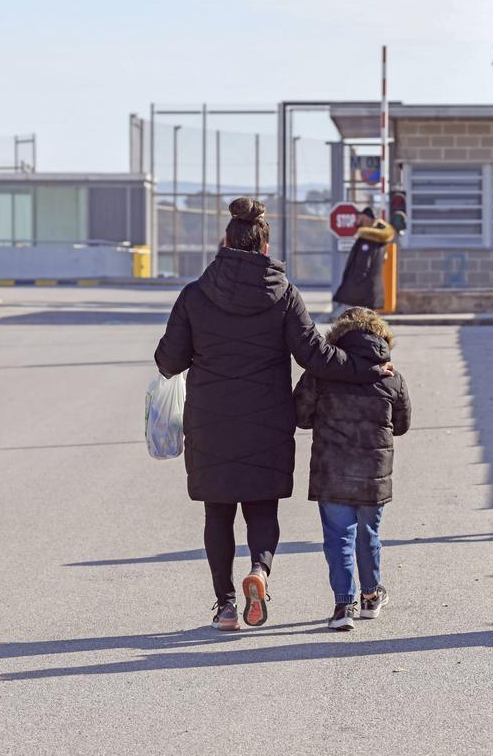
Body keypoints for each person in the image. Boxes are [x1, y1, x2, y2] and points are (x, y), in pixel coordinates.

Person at [155, 198, 391, 632]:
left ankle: (226, 606)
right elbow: (315, 357)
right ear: (265, 249)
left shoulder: (194, 294)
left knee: (217, 513)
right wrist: (367, 368)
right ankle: (259, 573)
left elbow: (168, 361)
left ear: (224, 243)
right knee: (262, 509)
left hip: (211, 420)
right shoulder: (283, 295)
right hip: (267, 419)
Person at [293, 307, 411, 631]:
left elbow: (300, 416)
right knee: (369, 534)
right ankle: (372, 595)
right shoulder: (392, 377)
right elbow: (401, 425)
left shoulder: (321, 373)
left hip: (332, 472)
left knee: (338, 537)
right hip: (373, 474)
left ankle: (344, 605)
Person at [332, 207, 395, 316]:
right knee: (370, 323)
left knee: (359, 323)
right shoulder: (380, 240)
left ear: (366, 218)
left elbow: (363, 265)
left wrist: (353, 285)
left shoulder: (367, 240)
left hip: (361, 292)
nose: (356, 221)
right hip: (372, 290)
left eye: (359, 217)